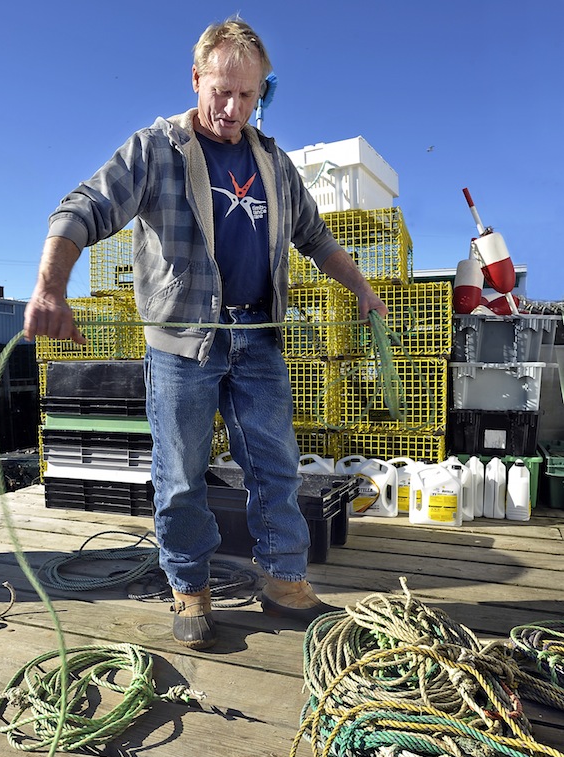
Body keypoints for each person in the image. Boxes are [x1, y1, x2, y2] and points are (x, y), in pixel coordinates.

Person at [24, 17, 388, 650]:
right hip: (180, 346)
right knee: (183, 474)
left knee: (275, 465)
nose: (232, 107)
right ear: (197, 79)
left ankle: (284, 582)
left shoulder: (273, 161)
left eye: (247, 95)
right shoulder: (155, 149)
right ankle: (189, 586)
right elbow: (80, 209)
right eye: (221, 90)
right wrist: (50, 287)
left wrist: (361, 288)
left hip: (258, 340)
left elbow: (315, 236)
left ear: (261, 94)